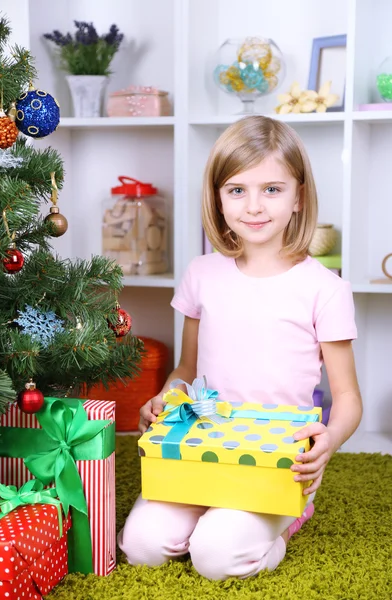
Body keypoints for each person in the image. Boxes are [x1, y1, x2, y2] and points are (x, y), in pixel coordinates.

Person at [118, 116, 363, 580]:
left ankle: (286, 520)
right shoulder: (202, 274)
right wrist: (166, 400)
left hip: (275, 461)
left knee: (215, 556)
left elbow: (347, 397)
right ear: (217, 197)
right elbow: (186, 371)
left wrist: (328, 440)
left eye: (272, 189)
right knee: (142, 546)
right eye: (236, 190)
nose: (254, 206)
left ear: (299, 198)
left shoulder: (325, 288)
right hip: (199, 448)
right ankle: (216, 516)